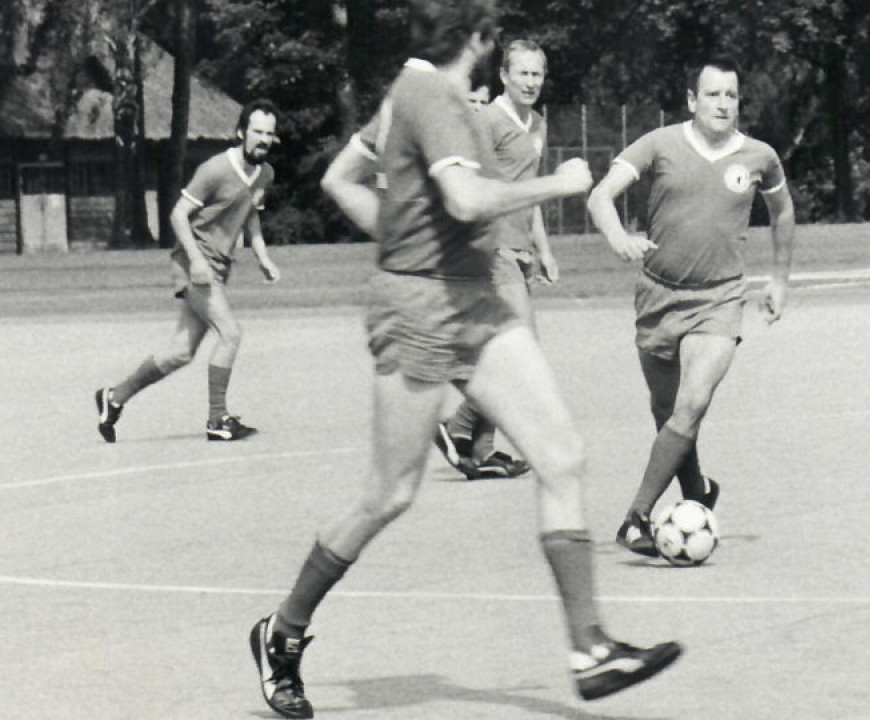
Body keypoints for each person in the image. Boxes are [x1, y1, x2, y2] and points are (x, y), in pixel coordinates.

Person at [247, 2, 681, 716]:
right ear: (480, 39)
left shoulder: (412, 94)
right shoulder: (431, 94)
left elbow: (339, 180)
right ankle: (282, 631)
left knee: (561, 455)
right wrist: (561, 185)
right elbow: (465, 195)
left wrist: (402, 235)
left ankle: (590, 648)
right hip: (420, 311)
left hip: (474, 297)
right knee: (387, 495)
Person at [586, 57, 795, 556]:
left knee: (692, 404)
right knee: (669, 418)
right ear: (691, 101)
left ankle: (635, 517)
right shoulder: (659, 145)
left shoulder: (759, 157)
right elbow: (601, 195)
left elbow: (783, 212)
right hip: (658, 297)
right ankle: (697, 493)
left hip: (719, 300)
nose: (723, 104)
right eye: (713, 95)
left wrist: (779, 280)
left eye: (731, 96)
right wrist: (619, 237)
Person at [94, 99, 282, 443]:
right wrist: (196, 261)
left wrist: (263, 257)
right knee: (231, 333)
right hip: (193, 263)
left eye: (270, 134)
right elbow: (178, 215)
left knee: (180, 352)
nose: (264, 139)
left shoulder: (264, 173)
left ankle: (114, 397)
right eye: (257, 131)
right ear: (241, 132)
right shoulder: (215, 169)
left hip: (217, 266)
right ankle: (217, 419)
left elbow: (251, 213)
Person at [433, 38, 554, 481]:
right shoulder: (486, 121)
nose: (530, 82)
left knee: (503, 352)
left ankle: (480, 450)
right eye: (522, 72)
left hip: (520, 250)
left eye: (537, 73)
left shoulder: (537, 123)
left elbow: (533, 190)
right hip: (492, 247)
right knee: (522, 353)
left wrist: (543, 250)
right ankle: (457, 426)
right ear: (504, 75)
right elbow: (465, 186)